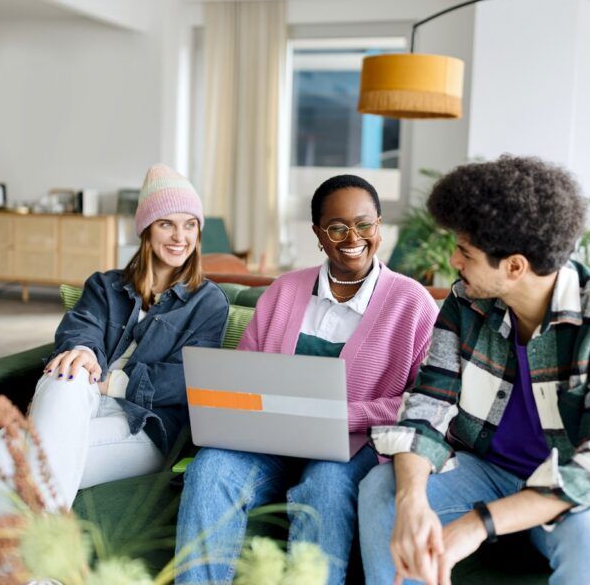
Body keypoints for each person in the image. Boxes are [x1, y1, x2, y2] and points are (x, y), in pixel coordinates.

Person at [358, 155, 590, 585]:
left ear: (514, 267)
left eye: (465, 252)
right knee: (383, 489)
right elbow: (426, 408)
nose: (454, 260)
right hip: (487, 471)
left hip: (572, 491)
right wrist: (413, 500)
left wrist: (476, 525)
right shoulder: (465, 302)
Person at [174, 174, 439, 584]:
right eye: (337, 227)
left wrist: (338, 416)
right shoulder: (283, 291)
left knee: (326, 487)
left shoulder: (413, 302)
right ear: (318, 234)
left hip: (354, 445)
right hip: (270, 441)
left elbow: (421, 400)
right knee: (210, 469)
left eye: (365, 224)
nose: (353, 237)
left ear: (379, 227)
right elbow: (245, 376)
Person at [0, 164, 229, 518]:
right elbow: (80, 326)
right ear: (146, 229)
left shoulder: (207, 302)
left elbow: (189, 379)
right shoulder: (105, 285)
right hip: (80, 400)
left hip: (146, 422)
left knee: (4, 452)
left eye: (189, 224)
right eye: (167, 224)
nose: (180, 237)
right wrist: (82, 353)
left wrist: (115, 383)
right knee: (68, 372)